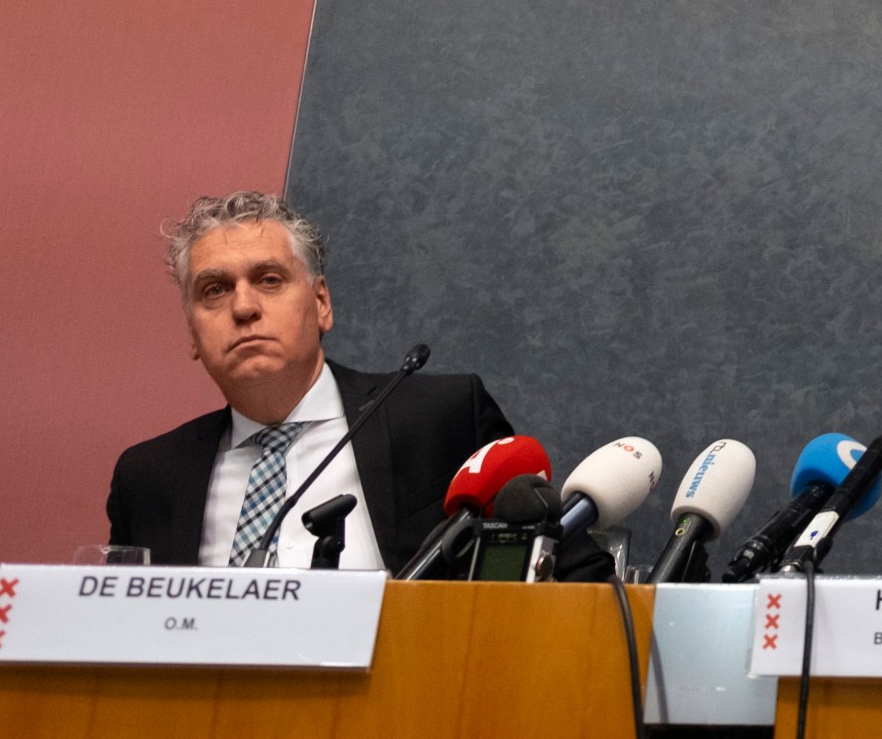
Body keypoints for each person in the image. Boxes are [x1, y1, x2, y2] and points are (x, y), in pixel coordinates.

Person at [105, 191, 594, 576]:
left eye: (270, 280)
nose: (243, 307)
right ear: (192, 332)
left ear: (321, 304)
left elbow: (574, 573)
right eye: (215, 290)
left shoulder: (438, 420)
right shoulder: (149, 476)